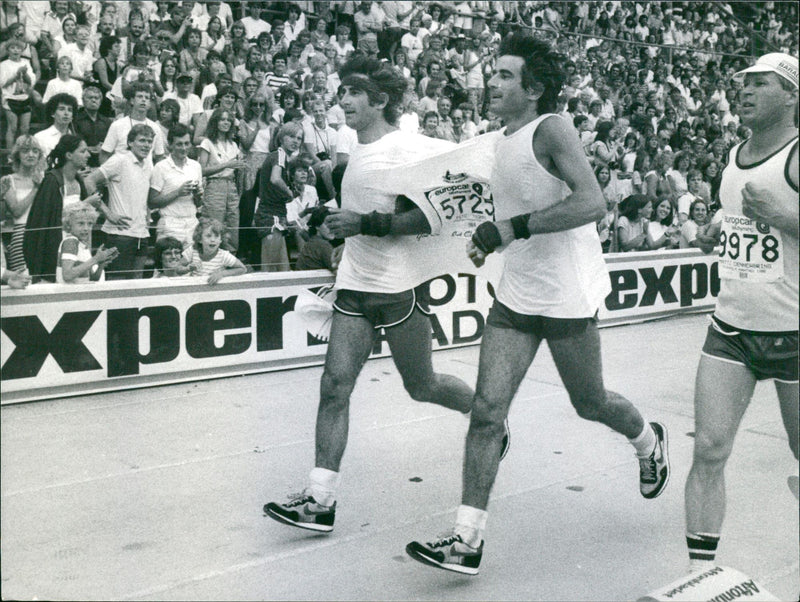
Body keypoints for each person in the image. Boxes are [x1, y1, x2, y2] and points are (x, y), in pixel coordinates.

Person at [405, 33, 669, 575]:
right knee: (486, 412)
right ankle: (466, 539)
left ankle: (648, 441)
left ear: (535, 87)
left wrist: (511, 228)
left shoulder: (553, 127)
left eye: (505, 75)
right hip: (516, 294)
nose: (492, 82)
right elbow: (504, 212)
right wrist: (488, 238)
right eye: (493, 73)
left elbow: (593, 201)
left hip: (566, 290)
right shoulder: (499, 139)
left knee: (590, 402)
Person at [263, 54, 485, 534]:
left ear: (380, 100)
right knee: (334, 387)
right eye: (341, 92)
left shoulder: (408, 148)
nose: (343, 100)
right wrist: (336, 223)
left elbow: (431, 217)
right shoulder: (355, 149)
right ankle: (320, 500)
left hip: (397, 290)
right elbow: (361, 212)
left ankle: (488, 417)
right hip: (354, 287)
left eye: (353, 93)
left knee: (421, 385)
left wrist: (363, 224)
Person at [684, 53, 798, 573]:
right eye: (744, 83)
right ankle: (700, 574)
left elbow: (775, 218)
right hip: (730, 329)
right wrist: (717, 231)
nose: (746, 91)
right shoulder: (734, 155)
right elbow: (738, 224)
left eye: (761, 84)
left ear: (791, 95)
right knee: (707, 449)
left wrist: (783, 216)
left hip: (794, 334)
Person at [87, 124, 155, 279]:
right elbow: (89, 180)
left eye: (149, 142)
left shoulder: (149, 165)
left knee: (137, 281)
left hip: (142, 234)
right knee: (117, 281)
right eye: (142, 140)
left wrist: (148, 215)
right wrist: (107, 212)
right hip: (119, 234)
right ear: (130, 143)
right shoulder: (119, 160)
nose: (146, 145)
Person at [253, 121, 304, 272]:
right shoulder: (279, 154)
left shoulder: (285, 159)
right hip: (271, 217)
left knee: (283, 269)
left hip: (278, 216)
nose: (296, 141)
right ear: (281, 137)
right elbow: (275, 179)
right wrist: (289, 192)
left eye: (299, 138)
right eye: (291, 136)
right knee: (269, 269)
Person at [149, 123, 203, 252]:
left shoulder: (195, 166)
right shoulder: (161, 167)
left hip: (192, 222)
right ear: (170, 145)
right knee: (169, 267)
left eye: (186, 143)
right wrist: (178, 192)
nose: (184, 148)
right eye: (179, 144)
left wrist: (198, 195)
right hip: (170, 224)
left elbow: (199, 203)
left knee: (192, 266)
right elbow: (152, 202)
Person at [197, 107, 245, 251]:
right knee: (214, 222)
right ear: (215, 122)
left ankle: (231, 257)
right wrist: (227, 165)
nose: (226, 123)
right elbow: (201, 170)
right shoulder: (207, 142)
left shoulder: (233, 144)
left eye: (228, 120)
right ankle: (212, 257)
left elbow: (236, 169)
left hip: (231, 186)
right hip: (214, 185)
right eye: (222, 119)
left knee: (232, 222)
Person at [1, 135, 44, 273]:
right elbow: (16, 211)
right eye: (25, 151)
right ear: (18, 155)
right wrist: (36, 189)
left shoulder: (45, 178)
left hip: (43, 234)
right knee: (23, 280)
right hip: (21, 235)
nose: (31, 154)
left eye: (35, 151)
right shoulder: (9, 180)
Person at [56, 202, 118, 283]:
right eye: (81, 223)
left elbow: (92, 278)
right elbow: (67, 275)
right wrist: (96, 259)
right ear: (68, 225)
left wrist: (101, 264)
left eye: (89, 224)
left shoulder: (82, 245)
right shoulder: (71, 242)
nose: (86, 228)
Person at [189, 217, 247, 284]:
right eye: (208, 236)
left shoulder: (224, 255)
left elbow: (243, 269)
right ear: (199, 239)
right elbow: (178, 268)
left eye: (216, 236)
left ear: (221, 239)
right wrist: (188, 268)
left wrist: (222, 274)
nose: (213, 240)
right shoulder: (192, 251)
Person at [34, 92, 77, 158]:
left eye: (70, 110)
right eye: (61, 109)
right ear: (52, 113)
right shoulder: (40, 137)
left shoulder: (76, 138)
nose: (66, 113)